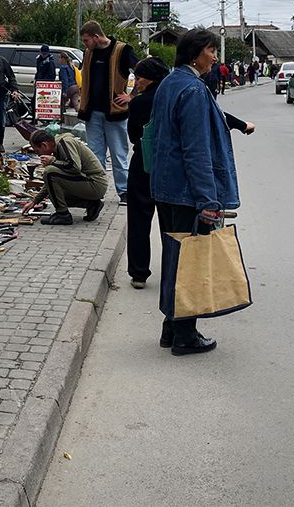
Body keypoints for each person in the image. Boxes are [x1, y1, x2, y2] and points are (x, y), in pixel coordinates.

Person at [149, 28, 242, 356]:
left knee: (175, 256)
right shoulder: (193, 90)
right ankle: (185, 335)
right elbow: (196, 150)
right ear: (194, 54)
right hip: (187, 192)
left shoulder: (168, 84)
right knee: (190, 259)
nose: (215, 57)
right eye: (210, 50)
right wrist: (208, 201)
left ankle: (170, 327)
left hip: (165, 188)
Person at [77, 20, 137, 204]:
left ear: (96, 37)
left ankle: (124, 191)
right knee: (95, 154)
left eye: (86, 40)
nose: (85, 44)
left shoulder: (122, 50)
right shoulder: (89, 53)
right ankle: (97, 191)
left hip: (115, 112)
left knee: (119, 153)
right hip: (92, 111)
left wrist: (131, 96)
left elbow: (142, 71)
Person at [126, 57, 170, 289]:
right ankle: (173, 271)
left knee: (139, 220)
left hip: (143, 164)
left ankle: (139, 274)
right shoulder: (173, 99)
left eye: (139, 77)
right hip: (168, 168)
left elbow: (134, 136)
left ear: (150, 78)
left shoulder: (139, 103)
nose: (137, 82)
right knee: (169, 222)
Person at [23, 129, 107, 225]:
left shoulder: (65, 143)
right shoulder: (57, 148)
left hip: (95, 183)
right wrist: (35, 201)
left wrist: (53, 161)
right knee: (53, 193)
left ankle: (63, 215)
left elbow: (75, 167)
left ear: (44, 145)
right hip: (90, 183)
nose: (38, 155)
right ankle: (92, 204)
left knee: (49, 171)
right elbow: (50, 183)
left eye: (37, 151)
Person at [0, 50, 19, 153]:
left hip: (0, 95)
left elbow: (11, 77)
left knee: (1, 120)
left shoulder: (1, 60)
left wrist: (14, 90)